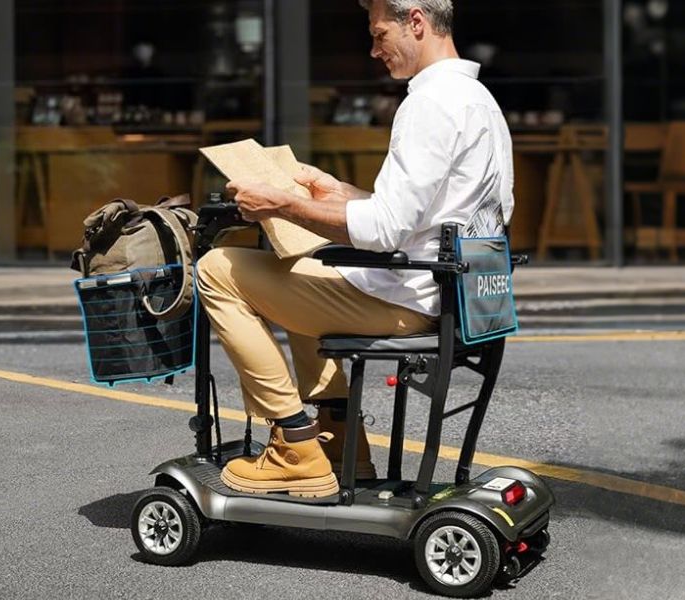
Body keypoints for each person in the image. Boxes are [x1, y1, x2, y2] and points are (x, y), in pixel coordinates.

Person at [197, 0, 514, 498]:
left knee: (217, 268)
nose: (373, 50)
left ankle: (295, 448)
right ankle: (343, 440)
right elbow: (422, 214)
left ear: (416, 23)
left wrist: (282, 204)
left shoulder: (430, 104)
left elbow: (386, 230)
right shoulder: (476, 100)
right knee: (296, 267)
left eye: (378, 33)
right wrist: (338, 190)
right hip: (449, 294)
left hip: (408, 300)